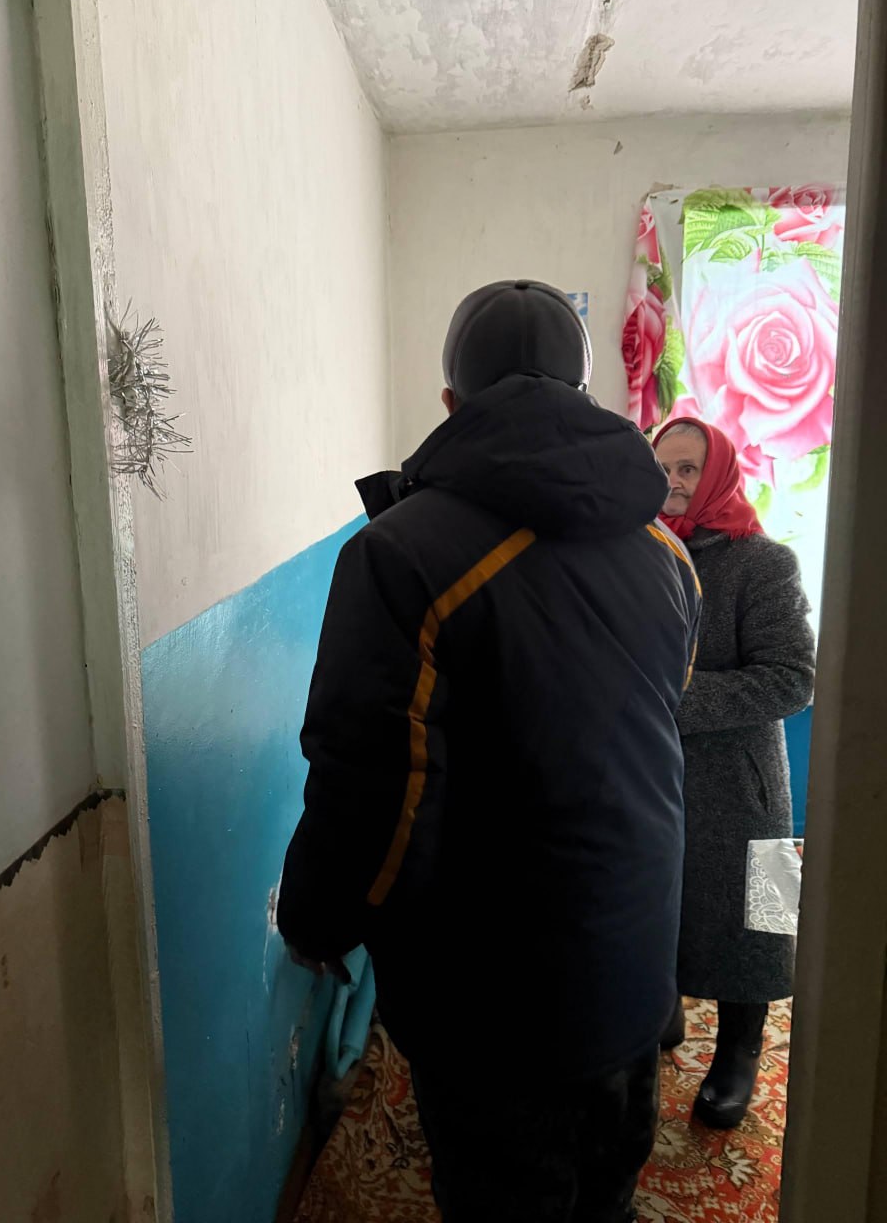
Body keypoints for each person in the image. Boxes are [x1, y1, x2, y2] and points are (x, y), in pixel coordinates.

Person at [277, 279, 700, 1223]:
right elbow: (655, 719)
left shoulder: (402, 556)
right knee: (606, 1196)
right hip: (634, 961)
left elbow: (372, 791)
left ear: (451, 404)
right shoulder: (666, 552)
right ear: (586, 397)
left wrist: (315, 922)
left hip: (496, 1008)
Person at [652, 418, 815, 1130]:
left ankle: (740, 1050)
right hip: (657, 772)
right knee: (664, 900)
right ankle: (665, 1008)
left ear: (717, 473)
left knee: (755, 920)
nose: (673, 482)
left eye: (688, 468)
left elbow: (793, 678)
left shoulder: (764, 562)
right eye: (662, 467)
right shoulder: (639, 553)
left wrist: (670, 699)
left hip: (745, 783)